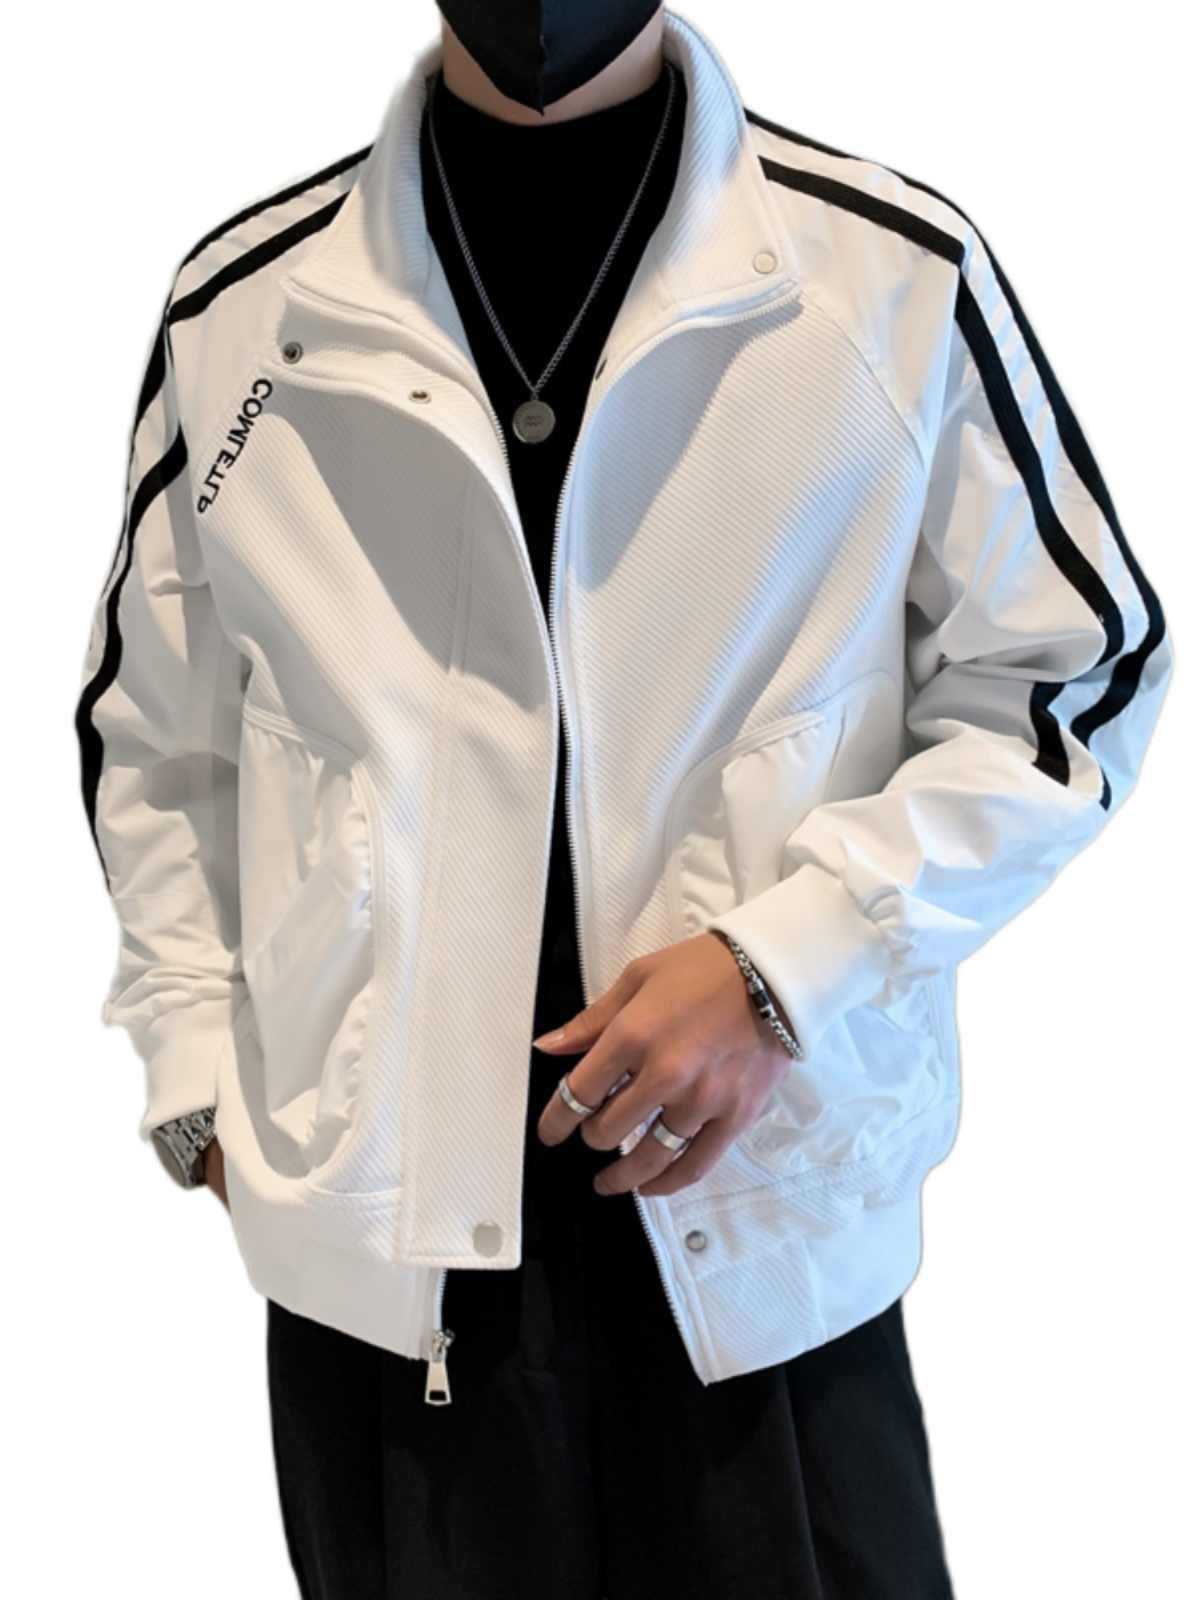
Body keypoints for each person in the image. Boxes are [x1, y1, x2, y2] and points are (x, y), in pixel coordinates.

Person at [74, 4, 1173, 1597]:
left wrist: (784, 965)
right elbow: (160, 743)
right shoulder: (247, 314)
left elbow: (1075, 675)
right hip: (387, 1271)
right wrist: (195, 1080)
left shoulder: (886, 275)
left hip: (758, 1238)